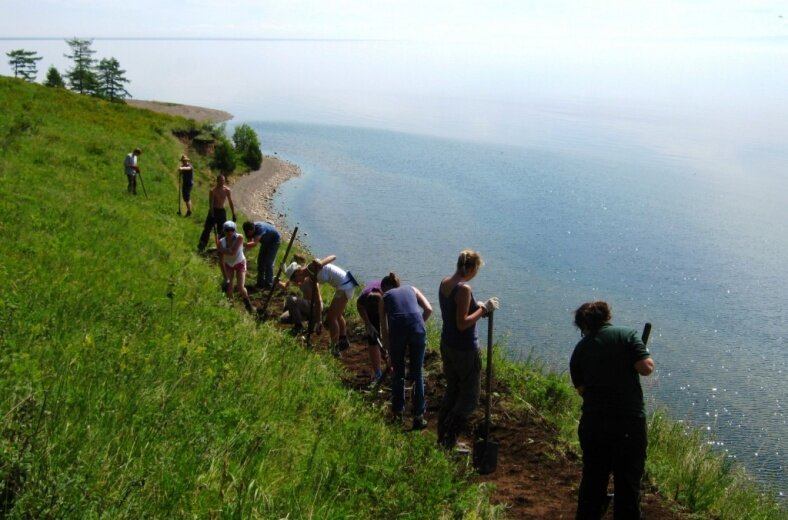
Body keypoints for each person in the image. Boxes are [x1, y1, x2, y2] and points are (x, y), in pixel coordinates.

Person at [570, 301, 655, 520]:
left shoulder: (580, 350)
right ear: (607, 317)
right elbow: (646, 369)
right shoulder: (627, 335)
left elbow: (582, 390)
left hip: (594, 425)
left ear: (584, 326)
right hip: (628, 424)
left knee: (592, 482)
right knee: (627, 486)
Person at [437, 250, 499, 450]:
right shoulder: (464, 289)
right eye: (477, 269)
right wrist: (484, 309)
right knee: (470, 398)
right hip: (465, 349)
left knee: (453, 390)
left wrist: (476, 307)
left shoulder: (445, 283)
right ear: (471, 268)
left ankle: (442, 437)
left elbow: (456, 312)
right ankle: (449, 439)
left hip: (447, 344)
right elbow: (462, 324)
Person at [378, 272, 432, 429]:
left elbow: (384, 327)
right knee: (417, 373)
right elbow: (428, 309)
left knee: (398, 373)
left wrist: (388, 350)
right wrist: (416, 326)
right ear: (398, 285)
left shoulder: (384, 297)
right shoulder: (412, 289)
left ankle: (397, 414)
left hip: (397, 330)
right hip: (417, 328)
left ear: (383, 289)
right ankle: (418, 417)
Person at [285, 255, 358, 356]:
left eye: (295, 279)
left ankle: (334, 348)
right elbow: (317, 299)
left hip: (345, 285)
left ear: (298, 272)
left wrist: (321, 263)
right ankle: (343, 339)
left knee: (332, 318)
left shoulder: (311, 267)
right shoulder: (310, 277)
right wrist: (318, 320)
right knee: (337, 315)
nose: (297, 282)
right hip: (344, 286)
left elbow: (333, 256)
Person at [215, 221, 254, 314]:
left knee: (240, 287)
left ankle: (249, 307)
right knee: (229, 288)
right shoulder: (221, 242)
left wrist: (221, 250)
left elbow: (233, 252)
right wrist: (225, 278)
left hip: (240, 263)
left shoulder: (239, 237)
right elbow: (221, 261)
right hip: (228, 265)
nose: (230, 232)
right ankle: (231, 307)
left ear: (235, 230)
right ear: (224, 231)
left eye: (232, 230)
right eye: (227, 230)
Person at [357, 279, 386, 384]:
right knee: (373, 339)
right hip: (372, 307)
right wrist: (368, 324)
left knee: (389, 337)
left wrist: (385, 337)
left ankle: (392, 364)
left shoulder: (389, 297)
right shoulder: (363, 298)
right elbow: (360, 308)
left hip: (385, 307)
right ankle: (378, 372)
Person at [197, 174, 236, 252]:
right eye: (221, 181)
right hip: (214, 210)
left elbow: (230, 202)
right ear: (217, 181)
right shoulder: (213, 191)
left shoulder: (227, 190)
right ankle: (202, 245)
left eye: (223, 181)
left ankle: (221, 248)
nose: (222, 182)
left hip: (221, 212)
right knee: (207, 229)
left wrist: (233, 214)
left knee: (222, 231)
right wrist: (212, 214)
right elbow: (210, 204)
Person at [242, 221, 281, 290]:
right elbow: (249, 246)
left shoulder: (259, 228)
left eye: (250, 232)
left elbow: (254, 243)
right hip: (265, 241)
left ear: (253, 229)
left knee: (268, 263)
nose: (249, 234)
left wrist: (242, 244)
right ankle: (260, 282)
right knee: (260, 261)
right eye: (248, 232)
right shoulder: (248, 230)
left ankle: (268, 284)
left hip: (274, 241)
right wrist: (242, 254)